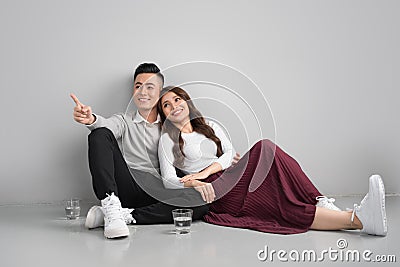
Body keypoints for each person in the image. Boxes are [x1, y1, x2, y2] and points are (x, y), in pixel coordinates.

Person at [157, 86, 388, 236]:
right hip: (214, 191)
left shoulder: (210, 126)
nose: (174, 106)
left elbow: (229, 154)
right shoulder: (166, 140)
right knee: (274, 192)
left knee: (268, 153)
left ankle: (324, 202)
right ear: (164, 114)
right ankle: (348, 216)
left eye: (177, 99)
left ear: (187, 102)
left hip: (228, 175)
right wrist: (194, 181)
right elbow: (168, 180)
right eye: (167, 105)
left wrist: (204, 172)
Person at [70, 63, 212, 239]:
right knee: (99, 134)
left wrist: (222, 159)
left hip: (159, 189)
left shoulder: (173, 123)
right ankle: (110, 203)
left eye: (150, 87)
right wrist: (90, 119)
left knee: (201, 203)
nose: (143, 92)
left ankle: (125, 215)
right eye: (138, 86)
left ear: (160, 93)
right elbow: (104, 125)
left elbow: (196, 148)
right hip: (129, 183)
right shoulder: (124, 120)